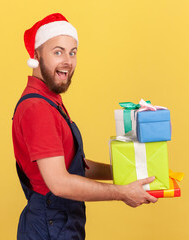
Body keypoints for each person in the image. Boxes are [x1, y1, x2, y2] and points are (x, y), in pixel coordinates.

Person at [12, 13, 158, 240]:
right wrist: (122, 193)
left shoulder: (50, 101)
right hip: (49, 226)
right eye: (58, 52)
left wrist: (128, 173)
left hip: (59, 223)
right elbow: (59, 182)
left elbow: (76, 166)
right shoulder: (37, 108)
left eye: (72, 52)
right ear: (36, 55)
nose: (67, 61)